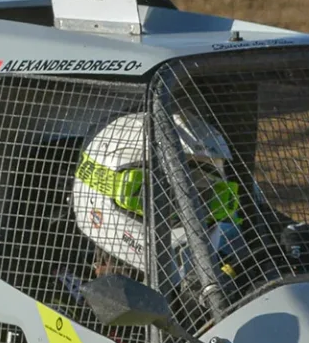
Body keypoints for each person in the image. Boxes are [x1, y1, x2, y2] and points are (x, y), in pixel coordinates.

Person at [71, 110, 245, 285]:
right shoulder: (57, 289)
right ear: (98, 187)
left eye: (202, 197)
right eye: (159, 196)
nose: (186, 209)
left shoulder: (237, 261)